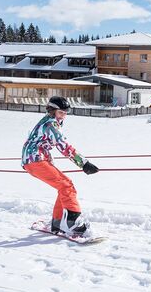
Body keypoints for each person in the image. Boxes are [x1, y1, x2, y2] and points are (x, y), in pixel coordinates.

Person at [22, 96, 99, 236]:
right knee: (67, 186)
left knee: (64, 186)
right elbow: (63, 146)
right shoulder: (51, 124)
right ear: (52, 111)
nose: (63, 116)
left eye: (65, 113)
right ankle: (73, 223)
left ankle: (57, 222)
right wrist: (84, 163)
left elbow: (38, 143)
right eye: (60, 112)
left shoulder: (48, 121)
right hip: (35, 160)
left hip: (34, 160)